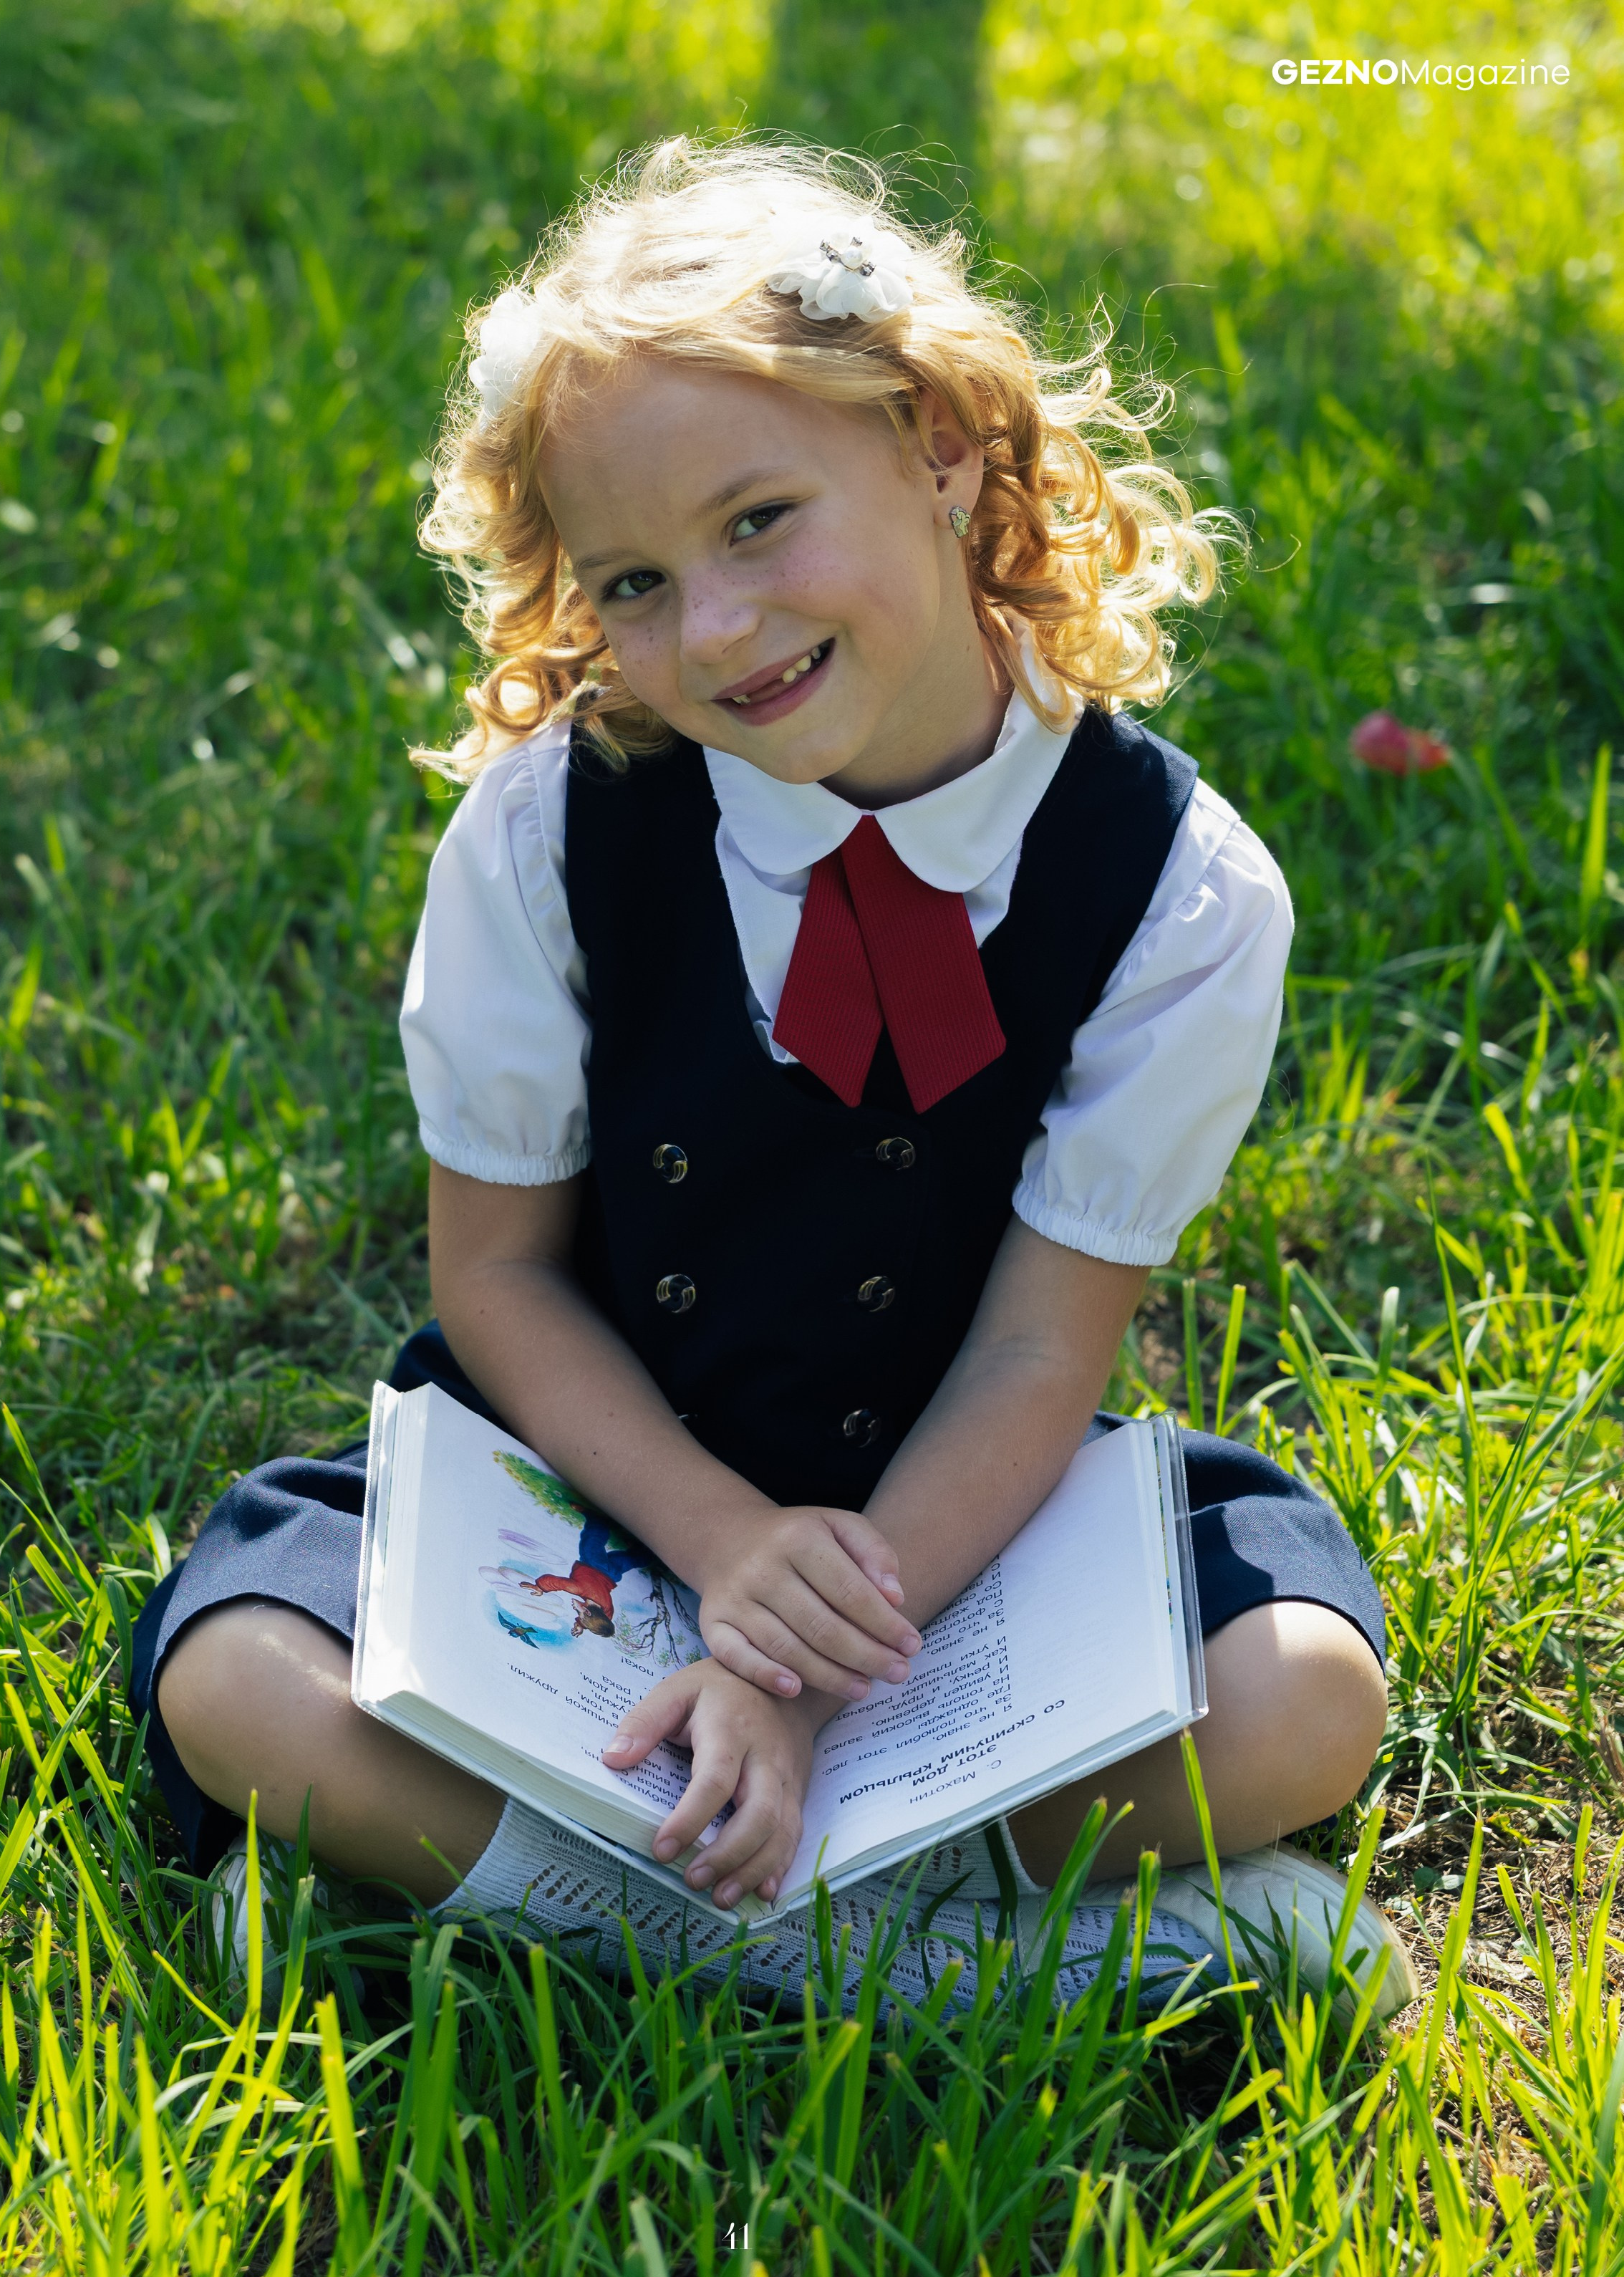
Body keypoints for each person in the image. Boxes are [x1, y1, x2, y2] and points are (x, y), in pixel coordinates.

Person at [130, 139, 1415, 2018]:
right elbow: (493, 1278)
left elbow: (1035, 1353)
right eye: (634, 578)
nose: (711, 630)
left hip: (960, 1532)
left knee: (1300, 1696)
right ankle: (920, 1962)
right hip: (598, 1490)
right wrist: (726, 1555)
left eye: (758, 521)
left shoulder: (1176, 885)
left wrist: (810, 1653)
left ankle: (509, 1903)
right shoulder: (548, 830)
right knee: (235, 1672)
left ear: (940, 446)